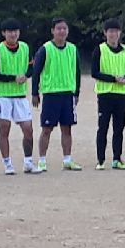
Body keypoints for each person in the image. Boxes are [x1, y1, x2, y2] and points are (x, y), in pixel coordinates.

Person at [32, 17, 82, 172]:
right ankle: (42, 160)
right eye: (59, 28)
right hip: (51, 94)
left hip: (68, 94)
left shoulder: (73, 49)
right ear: (53, 31)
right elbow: (36, 72)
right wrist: (35, 92)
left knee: (67, 128)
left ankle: (67, 159)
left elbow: (77, 72)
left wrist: (77, 92)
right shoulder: (45, 49)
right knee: (47, 128)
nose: (62, 31)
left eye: (64, 28)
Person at [0, 18, 35, 176]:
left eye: (15, 31)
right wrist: (13, 78)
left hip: (20, 95)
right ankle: (7, 163)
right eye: (9, 31)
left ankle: (28, 162)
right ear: (4, 33)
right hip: (3, 95)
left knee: (28, 129)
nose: (13, 34)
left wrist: (25, 75)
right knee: (4, 129)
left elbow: (31, 68)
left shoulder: (25, 47)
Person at [91, 19, 125, 170]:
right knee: (103, 127)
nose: (113, 34)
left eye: (116, 31)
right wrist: (113, 79)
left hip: (122, 93)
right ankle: (101, 160)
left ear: (119, 33)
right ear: (105, 33)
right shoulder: (100, 49)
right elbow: (94, 72)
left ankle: (117, 158)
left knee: (119, 128)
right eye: (110, 31)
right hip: (105, 93)